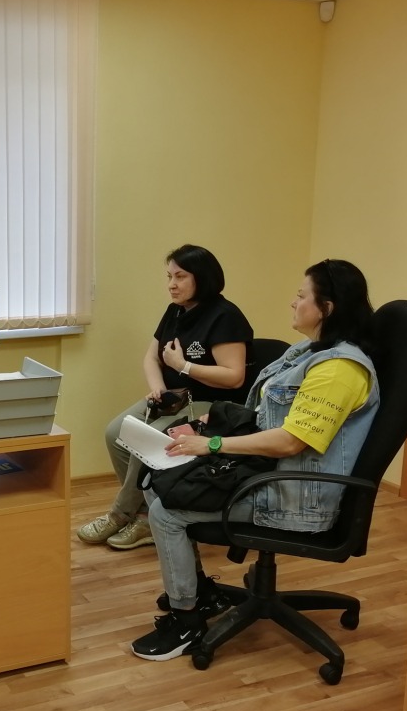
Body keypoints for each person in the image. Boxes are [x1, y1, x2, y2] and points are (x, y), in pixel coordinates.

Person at [131, 259, 379, 661]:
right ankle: (201, 593)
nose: (293, 302)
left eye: (301, 295)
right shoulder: (307, 351)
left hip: (295, 496)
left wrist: (212, 446)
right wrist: (206, 424)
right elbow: (263, 414)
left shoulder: (339, 370)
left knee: (166, 511)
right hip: (267, 473)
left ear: (327, 308)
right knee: (157, 482)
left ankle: (186, 620)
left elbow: (290, 442)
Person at [77, 244, 253, 550]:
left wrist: (183, 366)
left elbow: (234, 376)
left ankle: (121, 514)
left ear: (202, 278)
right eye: (169, 276)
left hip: (211, 404)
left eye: (180, 276)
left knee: (145, 441)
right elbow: (152, 356)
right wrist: (158, 387)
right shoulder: (176, 310)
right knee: (116, 433)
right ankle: (144, 511)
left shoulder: (225, 316)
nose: (171, 284)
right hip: (172, 397)